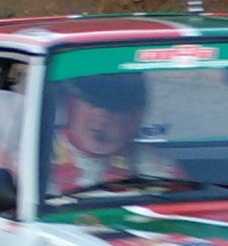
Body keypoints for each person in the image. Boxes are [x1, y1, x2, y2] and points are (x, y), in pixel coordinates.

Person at [49, 72, 178, 193]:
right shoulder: (36, 159)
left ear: (135, 118)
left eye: (115, 109)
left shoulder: (157, 168)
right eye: (93, 104)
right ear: (68, 104)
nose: (101, 119)